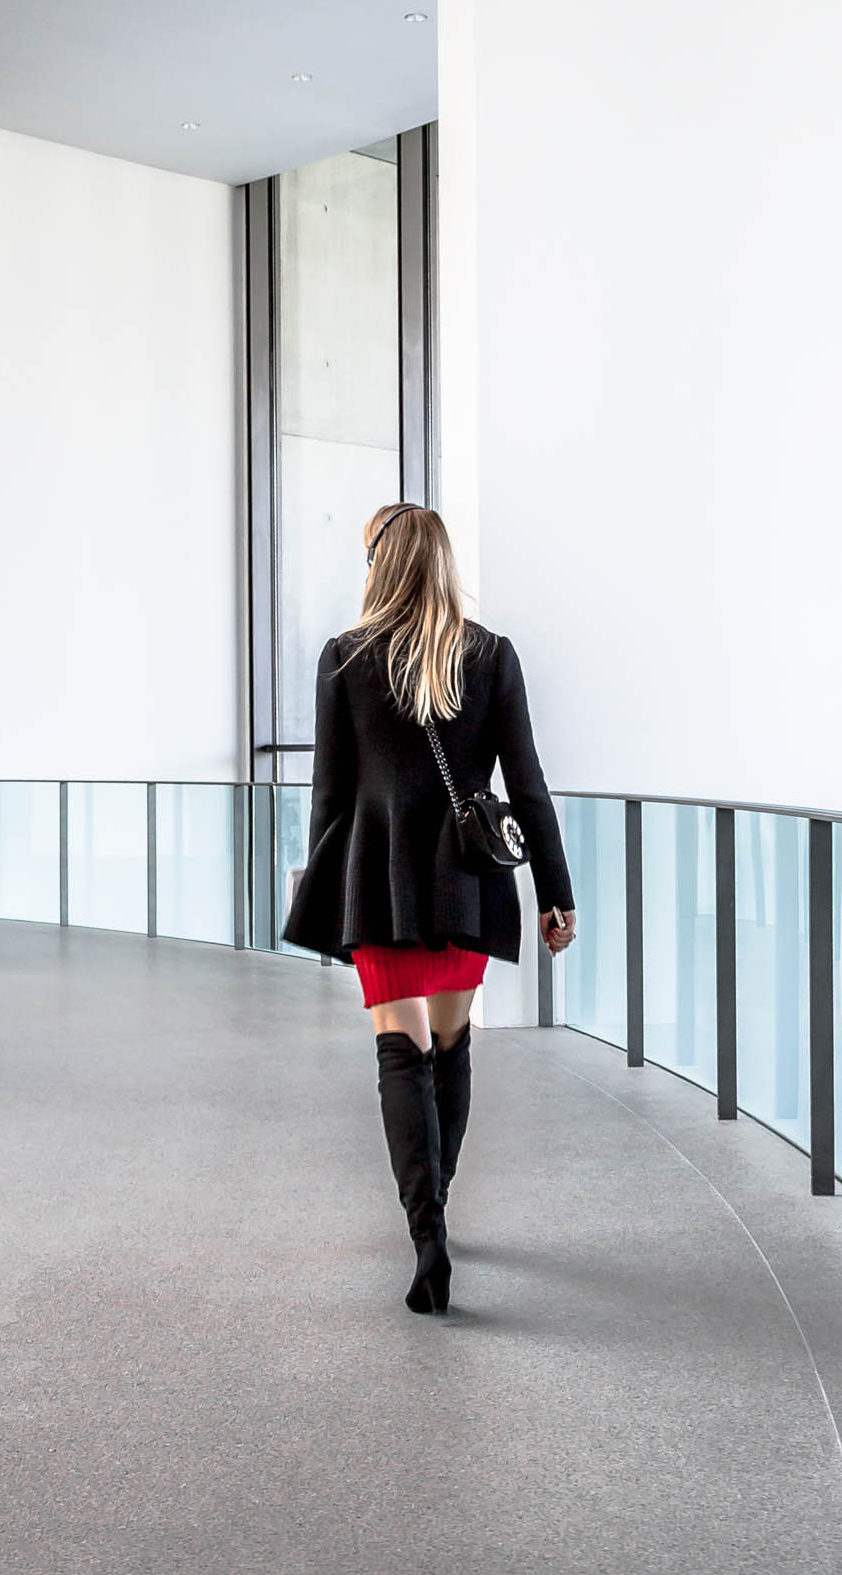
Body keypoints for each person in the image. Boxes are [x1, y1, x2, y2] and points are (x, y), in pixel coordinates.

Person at [282, 503, 576, 1315]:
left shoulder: (345, 658)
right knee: (450, 1048)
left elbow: (330, 797)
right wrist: (555, 894)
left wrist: (318, 893)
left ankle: (428, 1237)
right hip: (468, 878)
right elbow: (528, 787)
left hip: (378, 883)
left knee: (399, 1055)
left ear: (379, 563)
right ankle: (437, 1201)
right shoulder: (489, 656)